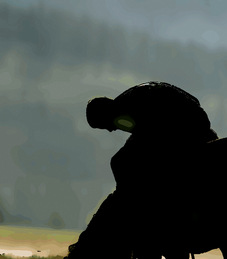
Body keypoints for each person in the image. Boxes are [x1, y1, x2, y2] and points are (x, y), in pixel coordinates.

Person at [86, 82, 218, 222]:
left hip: (187, 126)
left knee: (121, 161)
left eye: (104, 124)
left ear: (106, 113)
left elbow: (148, 133)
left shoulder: (129, 108)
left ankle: (131, 200)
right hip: (193, 120)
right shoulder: (127, 102)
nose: (109, 130)